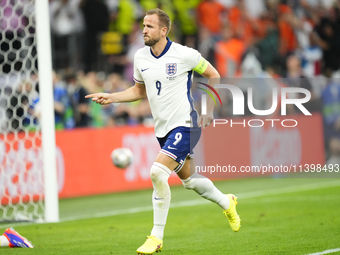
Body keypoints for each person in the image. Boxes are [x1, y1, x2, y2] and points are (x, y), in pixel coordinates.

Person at [85, 8, 241, 255]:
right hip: (163, 130)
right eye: (143, 25)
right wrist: (111, 97)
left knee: (157, 172)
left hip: (186, 124)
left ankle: (155, 237)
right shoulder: (140, 57)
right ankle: (227, 202)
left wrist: (208, 109)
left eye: (149, 26)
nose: (143, 30)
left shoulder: (184, 55)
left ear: (163, 30)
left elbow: (214, 74)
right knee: (189, 181)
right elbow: (139, 91)